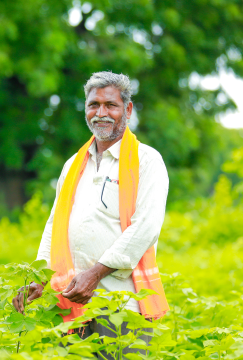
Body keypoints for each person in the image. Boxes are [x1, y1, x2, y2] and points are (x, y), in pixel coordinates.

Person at [12, 71, 170, 357]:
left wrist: (95, 275)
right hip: (71, 303)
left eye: (111, 105)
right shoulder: (73, 165)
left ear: (128, 110)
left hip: (122, 305)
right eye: (93, 105)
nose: (101, 113)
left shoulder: (147, 161)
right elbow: (55, 226)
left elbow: (145, 227)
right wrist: (39, 277)